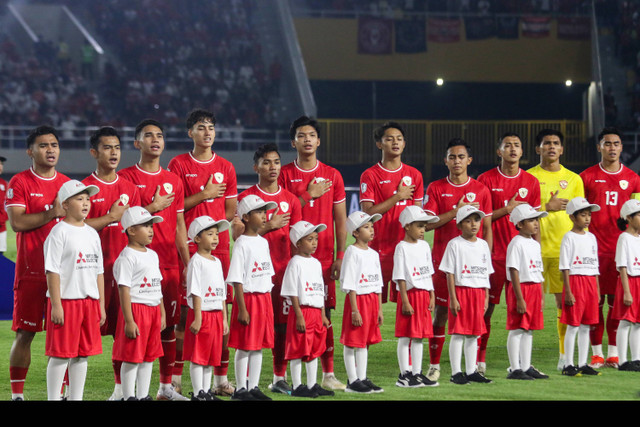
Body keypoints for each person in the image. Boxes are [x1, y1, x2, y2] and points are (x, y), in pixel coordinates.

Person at [119, 119, 190, 400]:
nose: (155, 140)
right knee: (130, 326)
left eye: (159, 135)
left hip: (168, 263)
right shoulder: (126, 177)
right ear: (137, 144)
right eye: (148, 136)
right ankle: (121, 391)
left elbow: (180, 226)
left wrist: (187, 262)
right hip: (135, 262)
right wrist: (153, 207)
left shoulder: (174, 180)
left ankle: (165, 388)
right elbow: (123, 220)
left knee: (168, 325)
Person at [167, 109, 238, 396]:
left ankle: (220, 378)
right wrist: (204, 196)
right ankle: (176, 377)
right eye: (200, 127)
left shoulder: (227, 166)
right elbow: (174, 207)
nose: (207, 132)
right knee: (186, 316)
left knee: (220, 314)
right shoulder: (179, 164)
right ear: (190, 133)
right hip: (189, 247)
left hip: (219, 250)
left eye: (210, 127)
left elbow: (230, 211)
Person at [279, 115, 347, 390]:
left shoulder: (333, 175)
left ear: (318, 141)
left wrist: (340, 256)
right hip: (289, 257)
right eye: (301, 135)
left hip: (323, 258)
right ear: (293, 142)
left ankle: (328, 374)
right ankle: (281, 375)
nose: (307, 140)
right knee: (288, 316)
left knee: (324, 316)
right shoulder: (283, 174)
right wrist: (309, 194)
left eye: (311, 135)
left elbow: (340, 220)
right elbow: (278, 207)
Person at [6, 125, 70, 401]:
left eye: (54, 145)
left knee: (65, 337)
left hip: (65, 274)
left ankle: (65, 393)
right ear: (30, 151)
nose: (50, 150)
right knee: (25, 333)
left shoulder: (68, 185)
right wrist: (51, 213)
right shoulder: (19, 182)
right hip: (32, 271)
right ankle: (17, 395)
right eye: (44, 145)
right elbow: (18, 223)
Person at [423, 138, 492, 381]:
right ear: (445, 161)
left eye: (461, 157)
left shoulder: (482, 190)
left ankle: (473, 368)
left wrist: (487, 260)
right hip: (444, 262)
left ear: (469, 160)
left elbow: (488, 227)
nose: (457, 161)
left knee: (475, 318)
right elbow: (428, 225)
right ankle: (434, 366)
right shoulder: (436, 188)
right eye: (452, 157)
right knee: (442, 314)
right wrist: (456, 211)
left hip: (473, 268)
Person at [235, 143, 302, 394]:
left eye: (275, 162)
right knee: (253, 330)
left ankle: (278, 377)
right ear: (256, 167)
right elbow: (237, 235)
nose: (272, 167)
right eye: (266, 162)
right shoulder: (246, 198)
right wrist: (270, 226)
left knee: (282, 326)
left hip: (283, 272)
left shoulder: (291, 200)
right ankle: (246, 385)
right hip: (254, 278)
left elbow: (297, 239)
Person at [82, 126, 141, 400]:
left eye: (117, 147)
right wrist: (110, 217)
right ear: (94, 152)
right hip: (92, 273)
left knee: (125, 332)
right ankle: (68, 391)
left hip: (124, 275)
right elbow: (77, 228)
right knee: (82, 335)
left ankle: (120, 390)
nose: (114, 152)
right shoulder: (84, 189)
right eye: (107, 147)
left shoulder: (129, 188)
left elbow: (136, 230)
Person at [477, 132, 541, 373]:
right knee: (487, 309)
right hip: (494, 257)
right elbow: (481, 218)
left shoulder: (531, 182)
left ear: (522, 152)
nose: (513, 149)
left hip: (522, 260)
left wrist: (538, 252)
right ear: (499, 151)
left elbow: (536, 222)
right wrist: (506, 209)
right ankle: (479, 359)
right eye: (508, 146)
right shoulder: (486, 179)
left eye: (517, 145)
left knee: (524, 310)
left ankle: (524, 363)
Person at [580, 127, 640, 368]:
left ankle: (614, 353)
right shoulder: (585, 177)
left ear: (621, 148)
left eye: (616, 143)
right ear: (599, 147)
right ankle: (597, 354)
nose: (612, 148)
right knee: (595, 305)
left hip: (621, 252)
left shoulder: (634, 179)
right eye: (607, 144)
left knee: (617, 305)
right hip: (593, 252)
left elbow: (638, 218)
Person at [527, 128, 585, 370]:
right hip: (534, 250)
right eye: (546, 143)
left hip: (563, 252)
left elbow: (581, 216)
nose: (551, 147)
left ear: (562, 149)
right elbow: (522, 211)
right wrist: (546, 206)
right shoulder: (528, 177)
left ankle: (564, 357)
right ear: (538, 149)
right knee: (529, 305)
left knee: (565, 305)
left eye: (556, 143)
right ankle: (523, 361)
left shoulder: (574, 179)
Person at [43, 180, 104, 400]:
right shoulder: (59, 232)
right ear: (65, 204)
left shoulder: (92, 233)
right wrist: (56, 305)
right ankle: (53, 398)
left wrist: (101, 306)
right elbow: (52, 271)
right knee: (60, 355)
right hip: (66, 302)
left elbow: (99, 272)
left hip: (89, 302)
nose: (86, 203)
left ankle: (75, 397)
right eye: (80, 199)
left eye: (88, 199)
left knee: (82, 355)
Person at [360, 121, 424, 303]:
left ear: (404, 143)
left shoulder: (415, 175)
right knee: (373, 304)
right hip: (377, 249)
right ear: (379, 144)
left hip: (406, 249)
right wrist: (398, 196)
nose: (395, 142)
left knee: (407, 303)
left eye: (399, 139)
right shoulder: (370, 175)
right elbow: (368, 213)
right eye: (389, 139)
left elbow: (417, 215)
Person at [226, 195, 277, 401]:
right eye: (259, 212)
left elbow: (266, 273)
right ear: (245, 217)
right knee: (245, 345)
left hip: (264, 298)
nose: (264, 216)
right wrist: (243, 308)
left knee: (258, 346)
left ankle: (253, 387)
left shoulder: (263, 242)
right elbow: (237, 278)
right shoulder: (241, 244)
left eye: (265, 212)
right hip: (248, 299)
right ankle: (240, 389)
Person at [112, 206, 165, 400]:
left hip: (152, 310)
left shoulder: (152, 255)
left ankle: (143, 395)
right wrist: (129, 320)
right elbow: (124, 289)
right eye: (145, 226)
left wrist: (162, 312)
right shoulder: (127, 257)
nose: (151, 230)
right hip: (136, 310)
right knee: (132, 357)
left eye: (151, 225)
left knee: (148, 356)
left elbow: (157, 285)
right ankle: (128, 396)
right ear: (131, 230)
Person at [439, 205, 494, 385]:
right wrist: (453, 298)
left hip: (479, 293)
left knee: (473, 334)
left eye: (477, 220)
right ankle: (456, 372)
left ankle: (471, 370)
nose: (474, 224)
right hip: (462, 292)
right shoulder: (454, 244)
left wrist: (486, 296)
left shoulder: (484, 245)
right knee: (458, 333)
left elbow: (486, 272)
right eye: (468, 221)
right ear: (459, 225)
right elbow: (450, 273)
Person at [281, 220, 334, 398]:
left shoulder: (316, 263)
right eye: (309, 239)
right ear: (298, 243)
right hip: (301, 311)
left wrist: (322, 315)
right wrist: (298, 315)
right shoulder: (295, 263)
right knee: (297, 350)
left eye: (316, 239)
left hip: (315, 313)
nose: (314, 243)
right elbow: (292, 291)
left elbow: (320, 291)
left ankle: (312, 385)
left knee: (314, 350)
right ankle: (297, 386)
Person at [184, 216, 231, 401]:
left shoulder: (216, 261)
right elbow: (195, 290)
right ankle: (198, 393)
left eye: (217, 234)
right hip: (201, 314)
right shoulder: (196, 261)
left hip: (216, 315)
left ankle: (206, 391)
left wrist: (224, 318)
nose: (215, 238)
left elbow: (222, 292)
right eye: (210, 234)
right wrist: (197, 317)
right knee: (198, 356)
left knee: (210, 356)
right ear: (197, 238)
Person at [392, 205, 439, 388]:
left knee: (420, 336)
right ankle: (405, 374)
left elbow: (428, 272)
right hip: (410, 296)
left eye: (424, 226)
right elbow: (400, 276)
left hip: (424, 295)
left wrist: (432, 295)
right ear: (407, 226)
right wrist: (404, 300)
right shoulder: (401, 247)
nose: (423, 230)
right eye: (419, 226)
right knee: (405, 336)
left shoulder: (425, 246)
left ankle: (417, 373)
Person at [339, 211, 384, 394]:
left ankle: (362, 377)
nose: (371, 230)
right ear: (355, 233)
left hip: (372, 301)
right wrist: (354, 310)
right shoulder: (352, 251)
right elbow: (350, 282)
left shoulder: (373, 253)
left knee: (364, 342)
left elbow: (378, 283)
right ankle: (352, 380)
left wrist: (379, 309)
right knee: (352, 341)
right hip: (358, 301)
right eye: (366, 227)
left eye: (372, 226)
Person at [504, 204, 549, 380]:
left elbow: (538, 271)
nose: (536, 223)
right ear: (520, 224)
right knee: (517, 328)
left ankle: (525, 365)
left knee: (529, 329)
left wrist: (542, 295)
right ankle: (515, 368)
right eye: (531, 220)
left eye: (536, 219)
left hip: (535, 288)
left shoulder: (534, 244)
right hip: (521, 288)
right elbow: (514, 271)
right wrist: (519, 298)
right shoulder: (516, 243)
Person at [559, 197, 601, 376]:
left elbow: (595, 266)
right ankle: (568, 364)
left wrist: (597, 290)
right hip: (575, 282)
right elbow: (565, 267)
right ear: (572, 217)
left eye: (589, 215)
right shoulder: (568, 238)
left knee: (586, 325)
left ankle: (583, 363)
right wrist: (568, 291)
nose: (587, 219)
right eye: (583, 215)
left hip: (590, 282)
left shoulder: (591, 237)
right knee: (573, 325)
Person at [612, 199, 640, 372]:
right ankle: (622, 361)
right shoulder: (624, 238)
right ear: (628, 218)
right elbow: (622, 265)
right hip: (628, 281)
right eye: (639, 215)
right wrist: (627, 292)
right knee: (625, 321)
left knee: (638, 322)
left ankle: (636, 358)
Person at [0, 155, 8, 255]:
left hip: (1, 228)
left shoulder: (4, 184)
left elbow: (7, 205)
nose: (0, 166)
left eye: (1, 164)